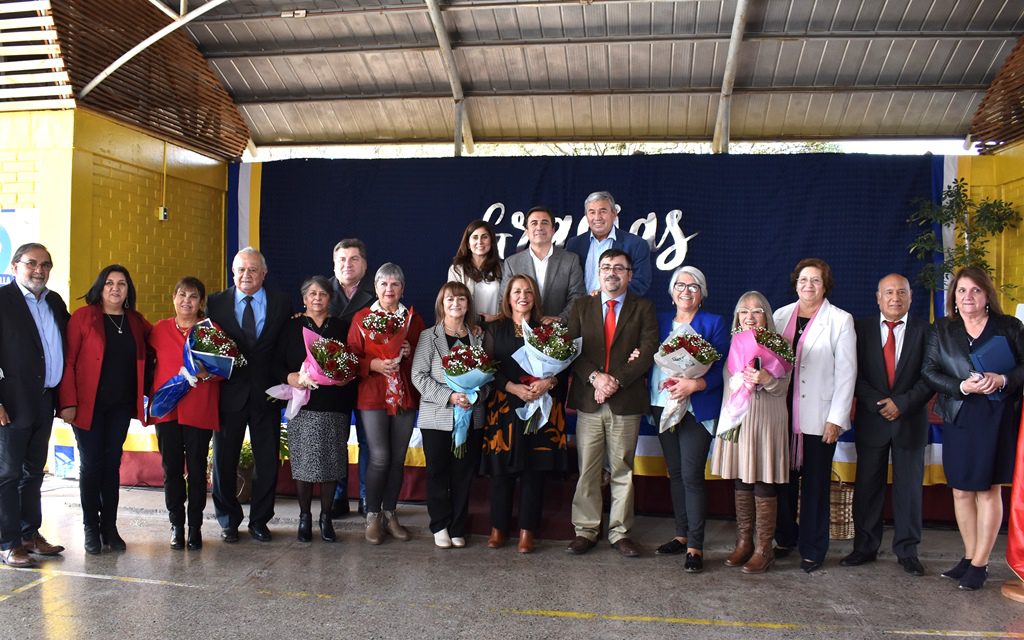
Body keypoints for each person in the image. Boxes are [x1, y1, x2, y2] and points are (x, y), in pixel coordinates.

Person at [922, 266, 1024, 591]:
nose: (968, 297)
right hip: (959, 414)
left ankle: (980, 564)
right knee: (961, 489)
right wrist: (962, 387)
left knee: (986, 488)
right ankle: (968, 556)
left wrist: (1003, 379)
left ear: (986, 295)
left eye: (975, 291)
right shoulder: (943, 329)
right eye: (962, 290)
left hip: (995, 416)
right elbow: (929, 371)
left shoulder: (1009, 327)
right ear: (954, 296)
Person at [566, 248, 659, 557]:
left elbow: (647, 351)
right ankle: (586, 530)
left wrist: (614, 380)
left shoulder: (643, 308)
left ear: (629, 275)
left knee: (622, 469)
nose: (612, 272)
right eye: (606, 267)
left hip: (626, 401)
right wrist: (595, 378)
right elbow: (570, 350)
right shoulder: (581, 306)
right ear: (598, 271)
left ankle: (620, 532)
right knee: (588, 469)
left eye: (619, 268)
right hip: (589, 400)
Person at [841, 274, 933, 576]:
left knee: (908, 491)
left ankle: (907, 551)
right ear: (878, 297)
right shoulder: (860, 329)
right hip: (873, 419)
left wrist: (903, 403)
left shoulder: (925, 330)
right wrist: (881, 403)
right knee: (868, 487)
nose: (895, 298)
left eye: (902, 292)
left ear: (910, 297)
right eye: (889, 292)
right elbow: (853, 373)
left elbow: (930, 375)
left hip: (910, 420)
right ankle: (864, 547)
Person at [59, 264, 151, 555]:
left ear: (128, 290)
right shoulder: (83, 318)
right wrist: (68, 403)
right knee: (91, 465)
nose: (115, 288)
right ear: (100, 287)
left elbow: (164, 339)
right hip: (88, 407)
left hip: (120, 407)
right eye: (109, 283)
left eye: (121, 284)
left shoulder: (135, 321)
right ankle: (90, 527)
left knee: (112, 466)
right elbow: (69, 362)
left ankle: (109, 527)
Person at [773, 258, 856, 573]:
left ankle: (813, 548)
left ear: (826, 285)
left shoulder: (840, 320)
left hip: (820, 416)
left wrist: (837, 418)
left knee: (816, 485)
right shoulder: (779, 315)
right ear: (795, 283)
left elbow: (847, 373)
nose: (809, 286)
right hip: (780, 414)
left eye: (816, 281)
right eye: (803, 280)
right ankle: (785, 538)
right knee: (783, 481)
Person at [207, 247, 291, 543]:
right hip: (228, 394)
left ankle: (260, 521)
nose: (247, 275)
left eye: (253, 270)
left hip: (266, 394)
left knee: (267, 461)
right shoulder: (215, 303)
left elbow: (284, 349)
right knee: (224, 462)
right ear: (233, 272)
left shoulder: (281, 303)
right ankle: (228, 520)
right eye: (241, 269)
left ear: (264, 273)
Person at [649, 266, 729, 573]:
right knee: (676, 472)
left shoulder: (714, 323)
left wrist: (695, 384)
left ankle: (696, 546)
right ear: (671, 293)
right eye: (680, 285)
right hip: (661, 404)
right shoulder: (658, 321)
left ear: (702, 294)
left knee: (692, 474)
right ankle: (681, 535)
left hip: (697, 407)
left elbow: (724, 368)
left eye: (694, 286)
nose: (686, 290)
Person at [481, 274, 569, 553]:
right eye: (517, 291)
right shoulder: (496, 330)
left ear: (535, 297)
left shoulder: (547, 329)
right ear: (508, 298)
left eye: (528, 291)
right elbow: (488, 370)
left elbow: (563, 369)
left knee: (534, 471)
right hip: (505, 407)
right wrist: (513, 388)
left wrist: (548, 382)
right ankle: (498, 528)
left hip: (541, 407)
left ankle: (527, 531)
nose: (522, 296)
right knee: (502, 471)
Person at [711, 291, 791, 574]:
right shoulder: (732, 344)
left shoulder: (780, 344)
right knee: (741, 480)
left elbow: (783, 388)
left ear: (766, 317)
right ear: (737, 318)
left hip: (768, 417)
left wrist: (767, 378)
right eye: (744, 311)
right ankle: (744, 542)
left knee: (763, 480)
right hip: (739, 417)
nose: (750, 316)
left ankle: (764, 549)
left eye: (757, 311)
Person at [0, 243, 69, 567]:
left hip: (44, 401)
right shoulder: (2, 301)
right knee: (7, 474)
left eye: (45, 264)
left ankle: (30, 534)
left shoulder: (54, 301)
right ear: (15, 266)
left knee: (33, 473)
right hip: (11, 405)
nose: (39, 270)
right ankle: (8, 542)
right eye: (32, 264)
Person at [347, 263, 425, 544]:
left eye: (394, 284)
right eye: (383, 284)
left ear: (402, 289)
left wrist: (411, 350)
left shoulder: (413, 320)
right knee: (379, 457)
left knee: (396, 458)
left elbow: (427, 359)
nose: (389, 289)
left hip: (404, 396)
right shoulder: (362, 317)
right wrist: (375, 363)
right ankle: (372, 515)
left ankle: (391, 513)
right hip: (373, 395)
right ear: (375, 288)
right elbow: (351, 358)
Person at [411, 282, 487, 548]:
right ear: (441, 304)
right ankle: (439, 524)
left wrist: (474, 396)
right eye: (450, 299)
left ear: (468, 304)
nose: (456, 304)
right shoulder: (428, 336)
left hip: (471, 414)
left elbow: (488, 377)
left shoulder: (478, 337)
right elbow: (418, 376)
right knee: (438, 472)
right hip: (438, 416)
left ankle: (458, 526)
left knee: (463, 473)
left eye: (462, 299)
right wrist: (451, 396)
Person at [276, 276, 352, 543]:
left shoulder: (342, 327)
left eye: (322, 294)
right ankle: (305, 517)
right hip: (304, 404)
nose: (317, 298)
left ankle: (326, 519)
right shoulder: (291, 326)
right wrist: (290, 377)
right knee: (305, 466)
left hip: (335, 404)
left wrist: (346, 376)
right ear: (304, 298)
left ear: (330, 298)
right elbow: (276, 363)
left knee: (332, 464)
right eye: (312, 294)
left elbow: (351, 361)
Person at [148, 276, 220, 551]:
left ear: (200, 302)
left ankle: (195, 528)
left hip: (199, 408)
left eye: (193, 296)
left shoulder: (211, 331)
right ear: (174, 299)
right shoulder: (158, 330)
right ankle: (176, 525)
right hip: (168, 410)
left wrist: (208, 372)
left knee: (199, 470)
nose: (186, 301)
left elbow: (225, 368)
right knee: (172, 470)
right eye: (182, 295)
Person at [328, 238, 376, 518]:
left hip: (368, 375)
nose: (347, 265)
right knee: (337, 438)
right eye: (342, 260)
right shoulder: (321, 290)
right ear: (334, 265)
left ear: (364, 264)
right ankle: (338, 496)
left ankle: (368, 496)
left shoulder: (378, 289)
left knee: (369, 439)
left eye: (354, 259)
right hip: (333, 380)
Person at [501, 206, 585, 324]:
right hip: (520, 332)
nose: (539, 227)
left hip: (559, 333)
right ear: (526, 231)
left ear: (553, 230)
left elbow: (577, 296)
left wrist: (561, 319)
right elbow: (504, 299)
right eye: (534, 223)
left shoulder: (570, 260)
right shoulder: (512, 263)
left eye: (544, 223)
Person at [565, 191, 652, 295]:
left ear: (614, 213)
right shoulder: (574, 244)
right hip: (581, 308)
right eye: (592, 212)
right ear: (586, 216)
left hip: (618, 308)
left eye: (603, 211)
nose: (597, 217)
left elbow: (641, 283)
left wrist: (608, 294)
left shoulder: (636, 244)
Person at [449, 220, 503, 323]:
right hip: (467, 328)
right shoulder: (456, 270)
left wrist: (496, 317)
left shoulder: (503, 268)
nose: (480, 242)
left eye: (484, 237)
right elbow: (452, 304)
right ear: (468, 244)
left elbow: (510, 302)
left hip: (497, 328)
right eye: (475, 237)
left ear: (491, 242)